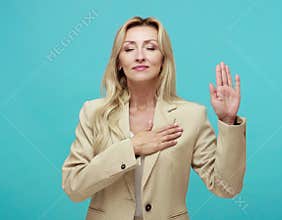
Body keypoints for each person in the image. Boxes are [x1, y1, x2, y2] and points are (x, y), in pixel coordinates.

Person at [62, 16, 246, 220]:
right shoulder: (93, 112)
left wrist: (228, 121)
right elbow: (74, 186)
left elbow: (226, 188)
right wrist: (131, 148)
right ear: (119, 62)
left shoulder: (191, 115)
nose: (140, 56)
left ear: (163, 60)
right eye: (129, 49)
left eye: (150, 48)